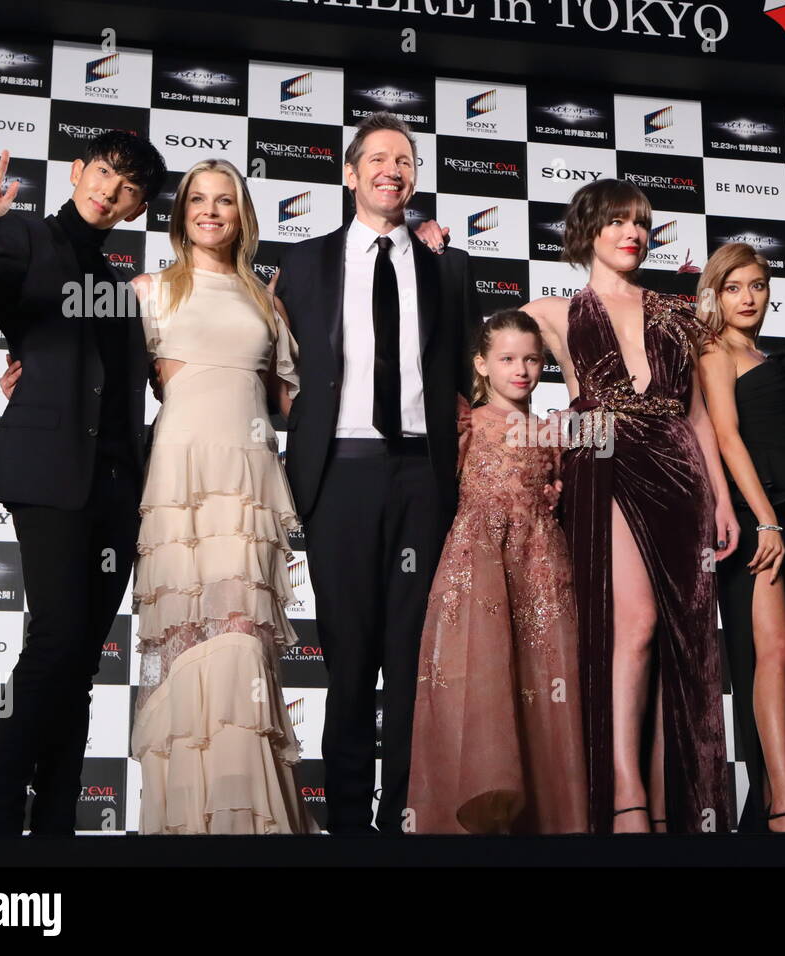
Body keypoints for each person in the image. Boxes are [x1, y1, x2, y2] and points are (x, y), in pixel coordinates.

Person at [0, 133, 167, 836]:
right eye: (103, 173)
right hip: (48, 474)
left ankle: (57, 824)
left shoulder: (125, 288)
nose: (110, 191)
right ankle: (4, 817)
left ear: (137, 209)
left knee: (79, 661)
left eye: (128, 188)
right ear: (78, 171)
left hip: (119, 490)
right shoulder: (27, 239)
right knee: (59, 642)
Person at [271, 111, 482, 835]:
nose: (393, 169)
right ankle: (350, 829)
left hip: (424, 476)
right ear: (350, 173)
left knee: (414, 663)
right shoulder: (301, 264)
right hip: (342, 476)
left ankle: (404, 820)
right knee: (351, 663)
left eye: (405, 159)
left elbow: (469, 382)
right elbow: (269, 363)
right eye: (379, 158)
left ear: (414, 177)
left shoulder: (448, 267)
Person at [522, 178, 738, 834]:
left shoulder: (675, 316)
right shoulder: (551, 312)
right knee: (636, 625)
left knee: (685, 645)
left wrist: (723, 500)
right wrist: (555, 429)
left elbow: (698, 419)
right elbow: (494, 380)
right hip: (607, 468)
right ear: (588, 229)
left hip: (680, 476)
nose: (633, 234)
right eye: (619, 221)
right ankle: (622, 789)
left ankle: (671, 798)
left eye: (642, 223)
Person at [118, 158, 316, 834]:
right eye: (198, 200)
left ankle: (250, 824)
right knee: (184, 651)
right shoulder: (148, 290)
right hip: (178, 486)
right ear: (181, 215)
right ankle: (185, 827)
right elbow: (93, 374)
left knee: (241, 644)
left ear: (242, 214)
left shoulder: (266, 298)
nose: (210, 211)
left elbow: (293, 401)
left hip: (249, 483)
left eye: (224, 200)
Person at [406, 310, 587, 834]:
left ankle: (546, 820)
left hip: (542, 568)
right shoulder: (465, 423)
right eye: (507, 359)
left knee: (544, 681)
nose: (522, 370)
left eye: (532, 359)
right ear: (481, 364)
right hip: (478, 567)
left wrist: (555, 494)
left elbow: (560, 491)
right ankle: (476, 817)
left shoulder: (553, 431)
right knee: (483, 680)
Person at [696, 243, 785, 832]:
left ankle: (770, 807)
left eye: (756, 285)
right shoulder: (712, 350)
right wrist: (767, 522)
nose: (748, 297)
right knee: (771, 654)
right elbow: (727, 438)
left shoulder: (772, 355)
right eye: (734, 287)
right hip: (757, 516)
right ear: (715, 294)